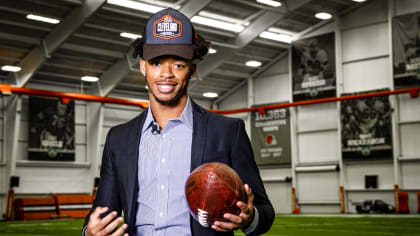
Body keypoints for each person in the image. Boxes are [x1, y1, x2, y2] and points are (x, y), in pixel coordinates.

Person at [82, 8, 274, 236]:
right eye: (156, 63)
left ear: (192, 69)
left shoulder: (227, 131)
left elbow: (264, 212)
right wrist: (89, 232)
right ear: (142, 66)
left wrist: (249, 218)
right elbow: (102, 214)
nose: (166, 74)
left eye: (178, 64)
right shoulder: (119, 138)